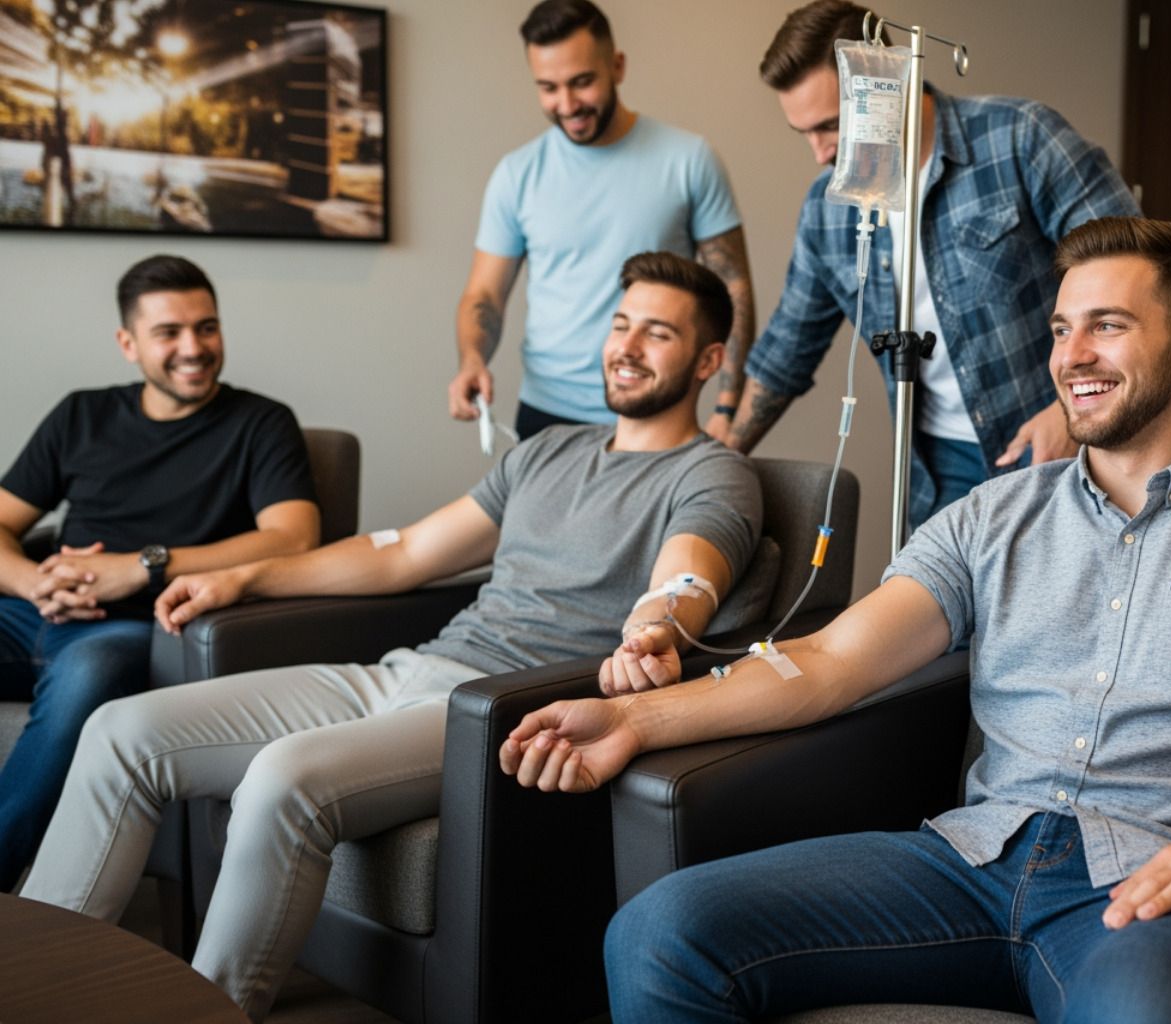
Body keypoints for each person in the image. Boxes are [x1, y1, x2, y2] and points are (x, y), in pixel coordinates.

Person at [502, 218, 1171, 1023]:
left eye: (1108, 327)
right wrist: (631, 719)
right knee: (662, 931)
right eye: (1061, 329)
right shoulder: (991, 517)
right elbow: (830, 659)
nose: (1072, 357)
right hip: (968, 861)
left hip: (1155, 891)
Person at [22, 252, 763, 1021]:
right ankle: (35, 991)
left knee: (280, 779)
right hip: (407, 670)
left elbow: (687, 578)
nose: (627, 348)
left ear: (708, 360)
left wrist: (655, 629)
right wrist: (243, 578)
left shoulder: (712, 473)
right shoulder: (548, 452)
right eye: (620, 325)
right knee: (120, 733)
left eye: (657, 334)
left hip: (493, 711)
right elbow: (404, 551)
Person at [721, 0, 1141, 526]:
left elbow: (1134, 270)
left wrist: (1069, 411)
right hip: (937, 470)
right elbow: (787, 349)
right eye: (804, 132)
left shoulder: (1020, 139)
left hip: (1057, 444)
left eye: (832, 125)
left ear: (888, 82)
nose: (821, 153)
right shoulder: (827, 210)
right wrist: (718, 452)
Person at [0, 255, 320, 892]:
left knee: (89, 674)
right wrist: (32, 582)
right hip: (33, 610)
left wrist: (140, 569)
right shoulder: (81, 414)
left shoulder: (260, 423)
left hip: (140, 630)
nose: (193, 348)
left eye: (207, 327)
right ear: (128, 343)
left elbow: (294, 537)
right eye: (169, 332)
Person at [450, 0, 754, 444]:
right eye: (548, 88)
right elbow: (484, 296)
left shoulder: (690, 160)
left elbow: (733, 288)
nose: (567, 104)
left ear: (617, 66)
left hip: (653, 409)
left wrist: (728, 407)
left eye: (582, 82)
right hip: (545, 415)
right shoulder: (517, 174)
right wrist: (472, 359)